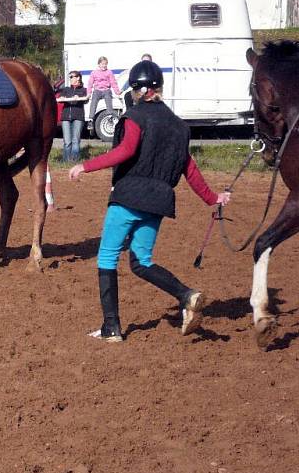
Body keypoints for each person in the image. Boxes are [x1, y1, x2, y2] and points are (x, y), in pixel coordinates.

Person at [68, 60, 231, 342]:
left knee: (107, 257)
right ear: (158, 88)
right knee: (141, 261)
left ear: (138, 90)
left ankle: (111, 328)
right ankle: (186, 295)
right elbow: (189, 168)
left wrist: (86, 166)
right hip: (158, 203)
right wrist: (213, 198)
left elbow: (126, 150)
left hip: (129, 197)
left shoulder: (135, 117)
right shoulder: (179, 126)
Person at [57, 71, 87, 162]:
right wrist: (62, 98)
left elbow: (85, 100)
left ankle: (74, 161)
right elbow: (60, 98)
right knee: (67, 141)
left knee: (75, 140)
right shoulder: (66, 89)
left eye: (72, 77)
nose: (70, 79)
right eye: (70, 77)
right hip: (66, 117)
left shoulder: (83, 90)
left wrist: (79, 97)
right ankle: (65, 161)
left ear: (78, 78)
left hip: (78, 117)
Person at [86, 56, 120, 133]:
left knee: (108, 100)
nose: (104, 66)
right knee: (94, 102)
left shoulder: (109, 72)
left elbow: (113, 82)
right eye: (102, 64)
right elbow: (90, 83)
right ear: (99, 64)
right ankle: (90, 119)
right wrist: (88, 93)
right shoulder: (94, 73)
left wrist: (117, 91)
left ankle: (110, 116)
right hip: (97, 90)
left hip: (106, 90)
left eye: (105, 64)